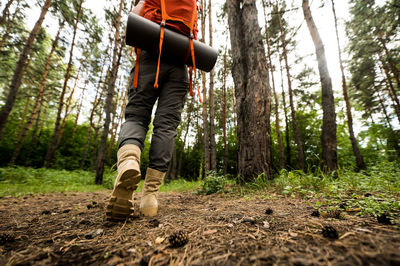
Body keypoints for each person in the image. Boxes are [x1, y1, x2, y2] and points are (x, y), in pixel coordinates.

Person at [106, 0, 198, 221]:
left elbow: (133, 20)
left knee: (137, 116)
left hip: (149, 59)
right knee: (166, 127)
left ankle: (128, 162)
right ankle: (149, 198)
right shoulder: (191, 3)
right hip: (179, 68)